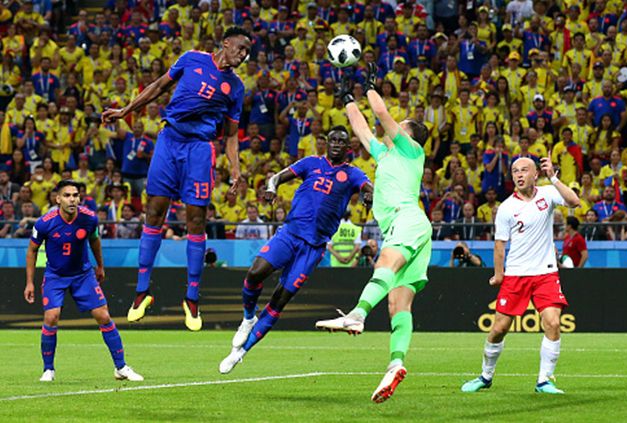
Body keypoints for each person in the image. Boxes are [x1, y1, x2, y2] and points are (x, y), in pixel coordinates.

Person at [102, 27, 252, 331]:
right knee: (154, 213)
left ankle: (192, 298)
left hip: (199, 149)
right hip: (169, 141)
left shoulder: (235, 87)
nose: (243, 54)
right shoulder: (191, 59)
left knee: (196, 220)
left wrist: (236, 170)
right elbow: (158, 86)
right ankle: (142, 292)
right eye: (240, 48)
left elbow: (232, 135)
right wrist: (126, 111)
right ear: (226, 43)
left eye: (247, 51)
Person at [315, 63, 432, 403]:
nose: (392, 129)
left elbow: (380, 114)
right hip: (414, 227)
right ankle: (396, 365)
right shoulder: (386, 155)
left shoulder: (411, 150)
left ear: (408, 134)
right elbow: (365, 130)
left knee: (384, 262)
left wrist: (370, 88)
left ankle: (357, 315)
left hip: (406, 221)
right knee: (399, 304)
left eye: (400, 127)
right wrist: (349, 100)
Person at [218, 127, 373, 373]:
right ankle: (248, 318)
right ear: (326, 143)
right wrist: (271, 188)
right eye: (331, 139)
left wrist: (369, 196)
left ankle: (240, 352)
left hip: (313, 248)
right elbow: (275, 177)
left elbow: (368, 187)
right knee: (255, 273)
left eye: (340, 142)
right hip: (290, 234)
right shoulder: (310, 163)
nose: (334, 144)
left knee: (280, 299)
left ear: (348, 148)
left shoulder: (352, 174)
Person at [461, 154, 580, 395]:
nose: (519, 175)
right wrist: (498, 275)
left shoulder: (548, 193)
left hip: (546, 273)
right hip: (516, 275)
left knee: (553, 322)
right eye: (515, 171)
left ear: (535, 174)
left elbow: (574, 201)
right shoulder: (506, 208)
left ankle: (544, 381)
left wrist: (554, 178)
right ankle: (485, 376)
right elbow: (499, 245)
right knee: (498, 329)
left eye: (524, 170)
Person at [23, 180, 143, 382]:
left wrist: (100, 266)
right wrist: (29, 282)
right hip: (55, 276)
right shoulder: (44, 222)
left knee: (103, 315)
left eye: (76, 195)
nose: (72, 199)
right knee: (51, 317)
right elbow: (32, 251)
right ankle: (48, 370)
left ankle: (121, 367)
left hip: (83, 275)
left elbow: (94, 240)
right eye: (68, 195)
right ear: (58, 198)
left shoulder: (89, 219)